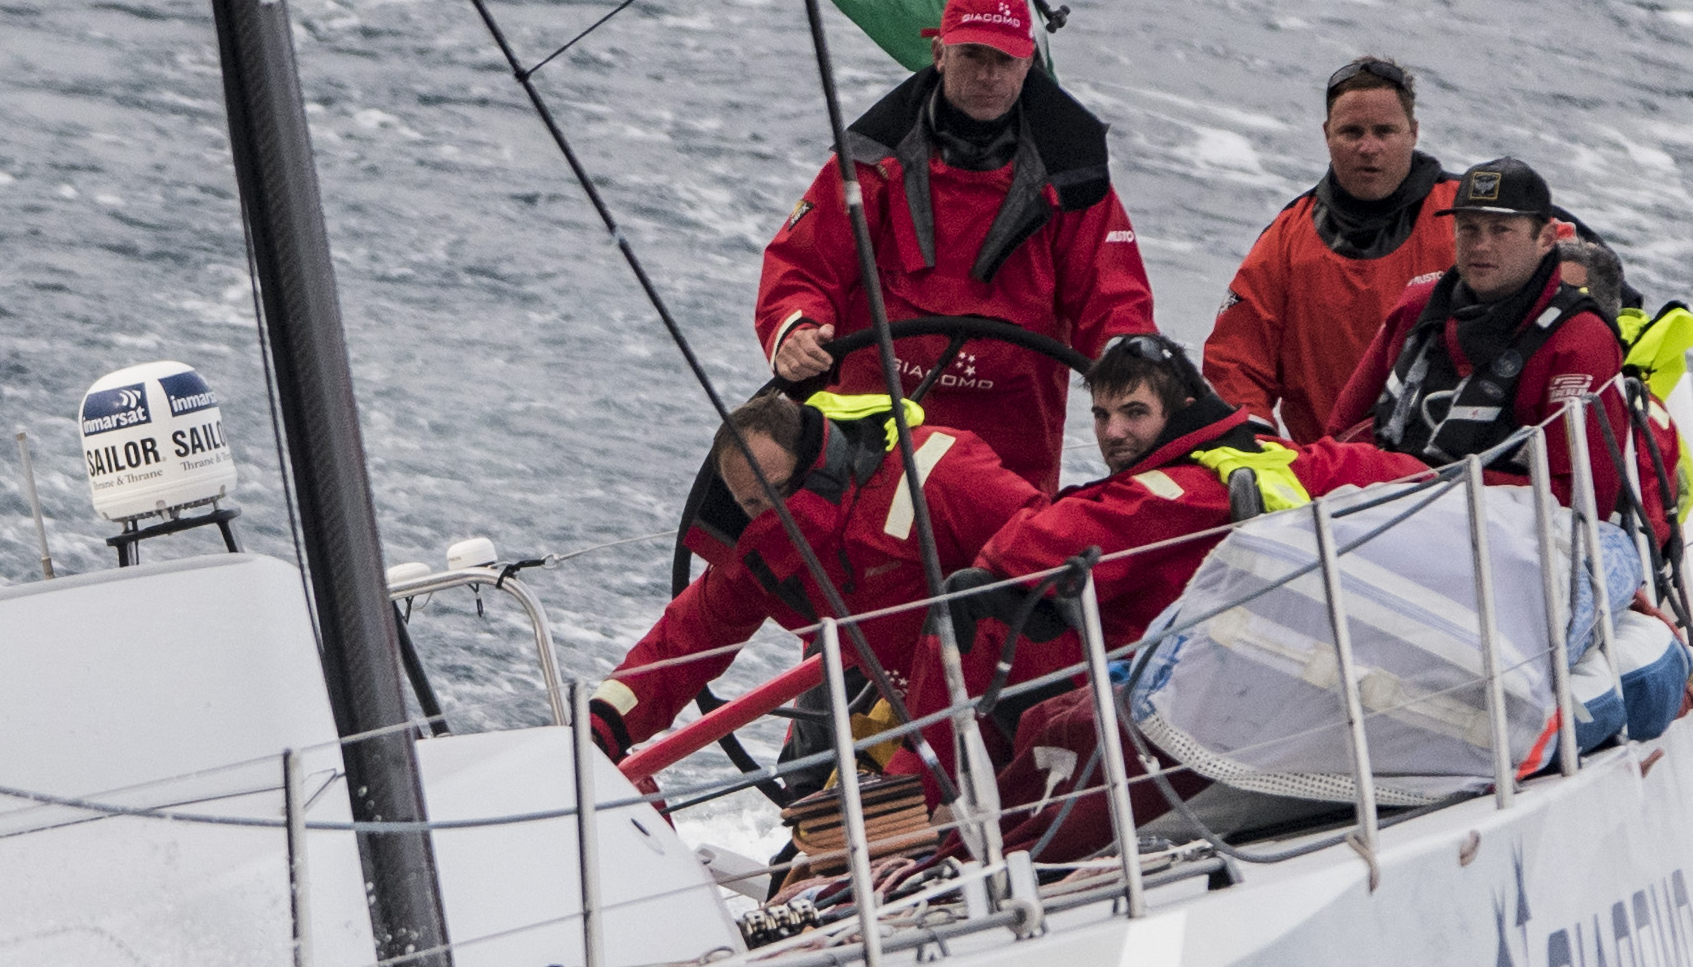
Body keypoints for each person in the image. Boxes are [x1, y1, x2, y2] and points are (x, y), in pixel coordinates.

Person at [978, 337, 1422, 850]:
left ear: (1181, 410)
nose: (1111, 433)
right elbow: (1411, 476)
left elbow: (1016, 550)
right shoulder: (1278, 459)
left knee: (1011, 663)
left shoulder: (1165, 493)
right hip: (1283, 690)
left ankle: (971, 838)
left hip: (1185, 710)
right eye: (1100, 416)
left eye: (1134, 413)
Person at [582, 368, 1036, 821]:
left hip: (1022, 697)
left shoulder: (937, 473)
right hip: (914, 722)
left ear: (811, 458)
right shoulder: (763, 551)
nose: (770, 514)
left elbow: (1049, 549)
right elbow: (681, 644)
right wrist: (599, 725)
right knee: (817, 855)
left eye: (777, 491)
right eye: (752, 503)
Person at [753, 0, 1151, 486]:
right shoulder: (871, 163)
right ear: (939, 54)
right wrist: (797, 330)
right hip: (867, 427)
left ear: (1028, 62)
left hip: (1010, 452)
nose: (988, 75)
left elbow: (1114, 300)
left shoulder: (1075, 180)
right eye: (972, 56)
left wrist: (1132, 368)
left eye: (1004, 60)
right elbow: (804, 265)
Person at [1359, 155, 1688, 538]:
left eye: (1501, 230)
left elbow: (1583, 503)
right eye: (1469, 228)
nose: (1481, 245)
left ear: (1546, 239)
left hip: (1504, 545)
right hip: (1378, 516)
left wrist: (1410, 479)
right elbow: (1344, 428)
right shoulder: (1419, 306)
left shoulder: (1580, 341)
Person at [1199, 56, 1458, 446]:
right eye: (1352, 132)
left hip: (1452, 466)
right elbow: (1234, 364)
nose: (1368, 147)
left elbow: (1567, 261)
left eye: (1385, 131)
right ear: (1326, 134)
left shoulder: (1468, 218)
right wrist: (1259, 448)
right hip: (1328, 474)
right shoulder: (1286, 239)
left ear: (1414, 132)